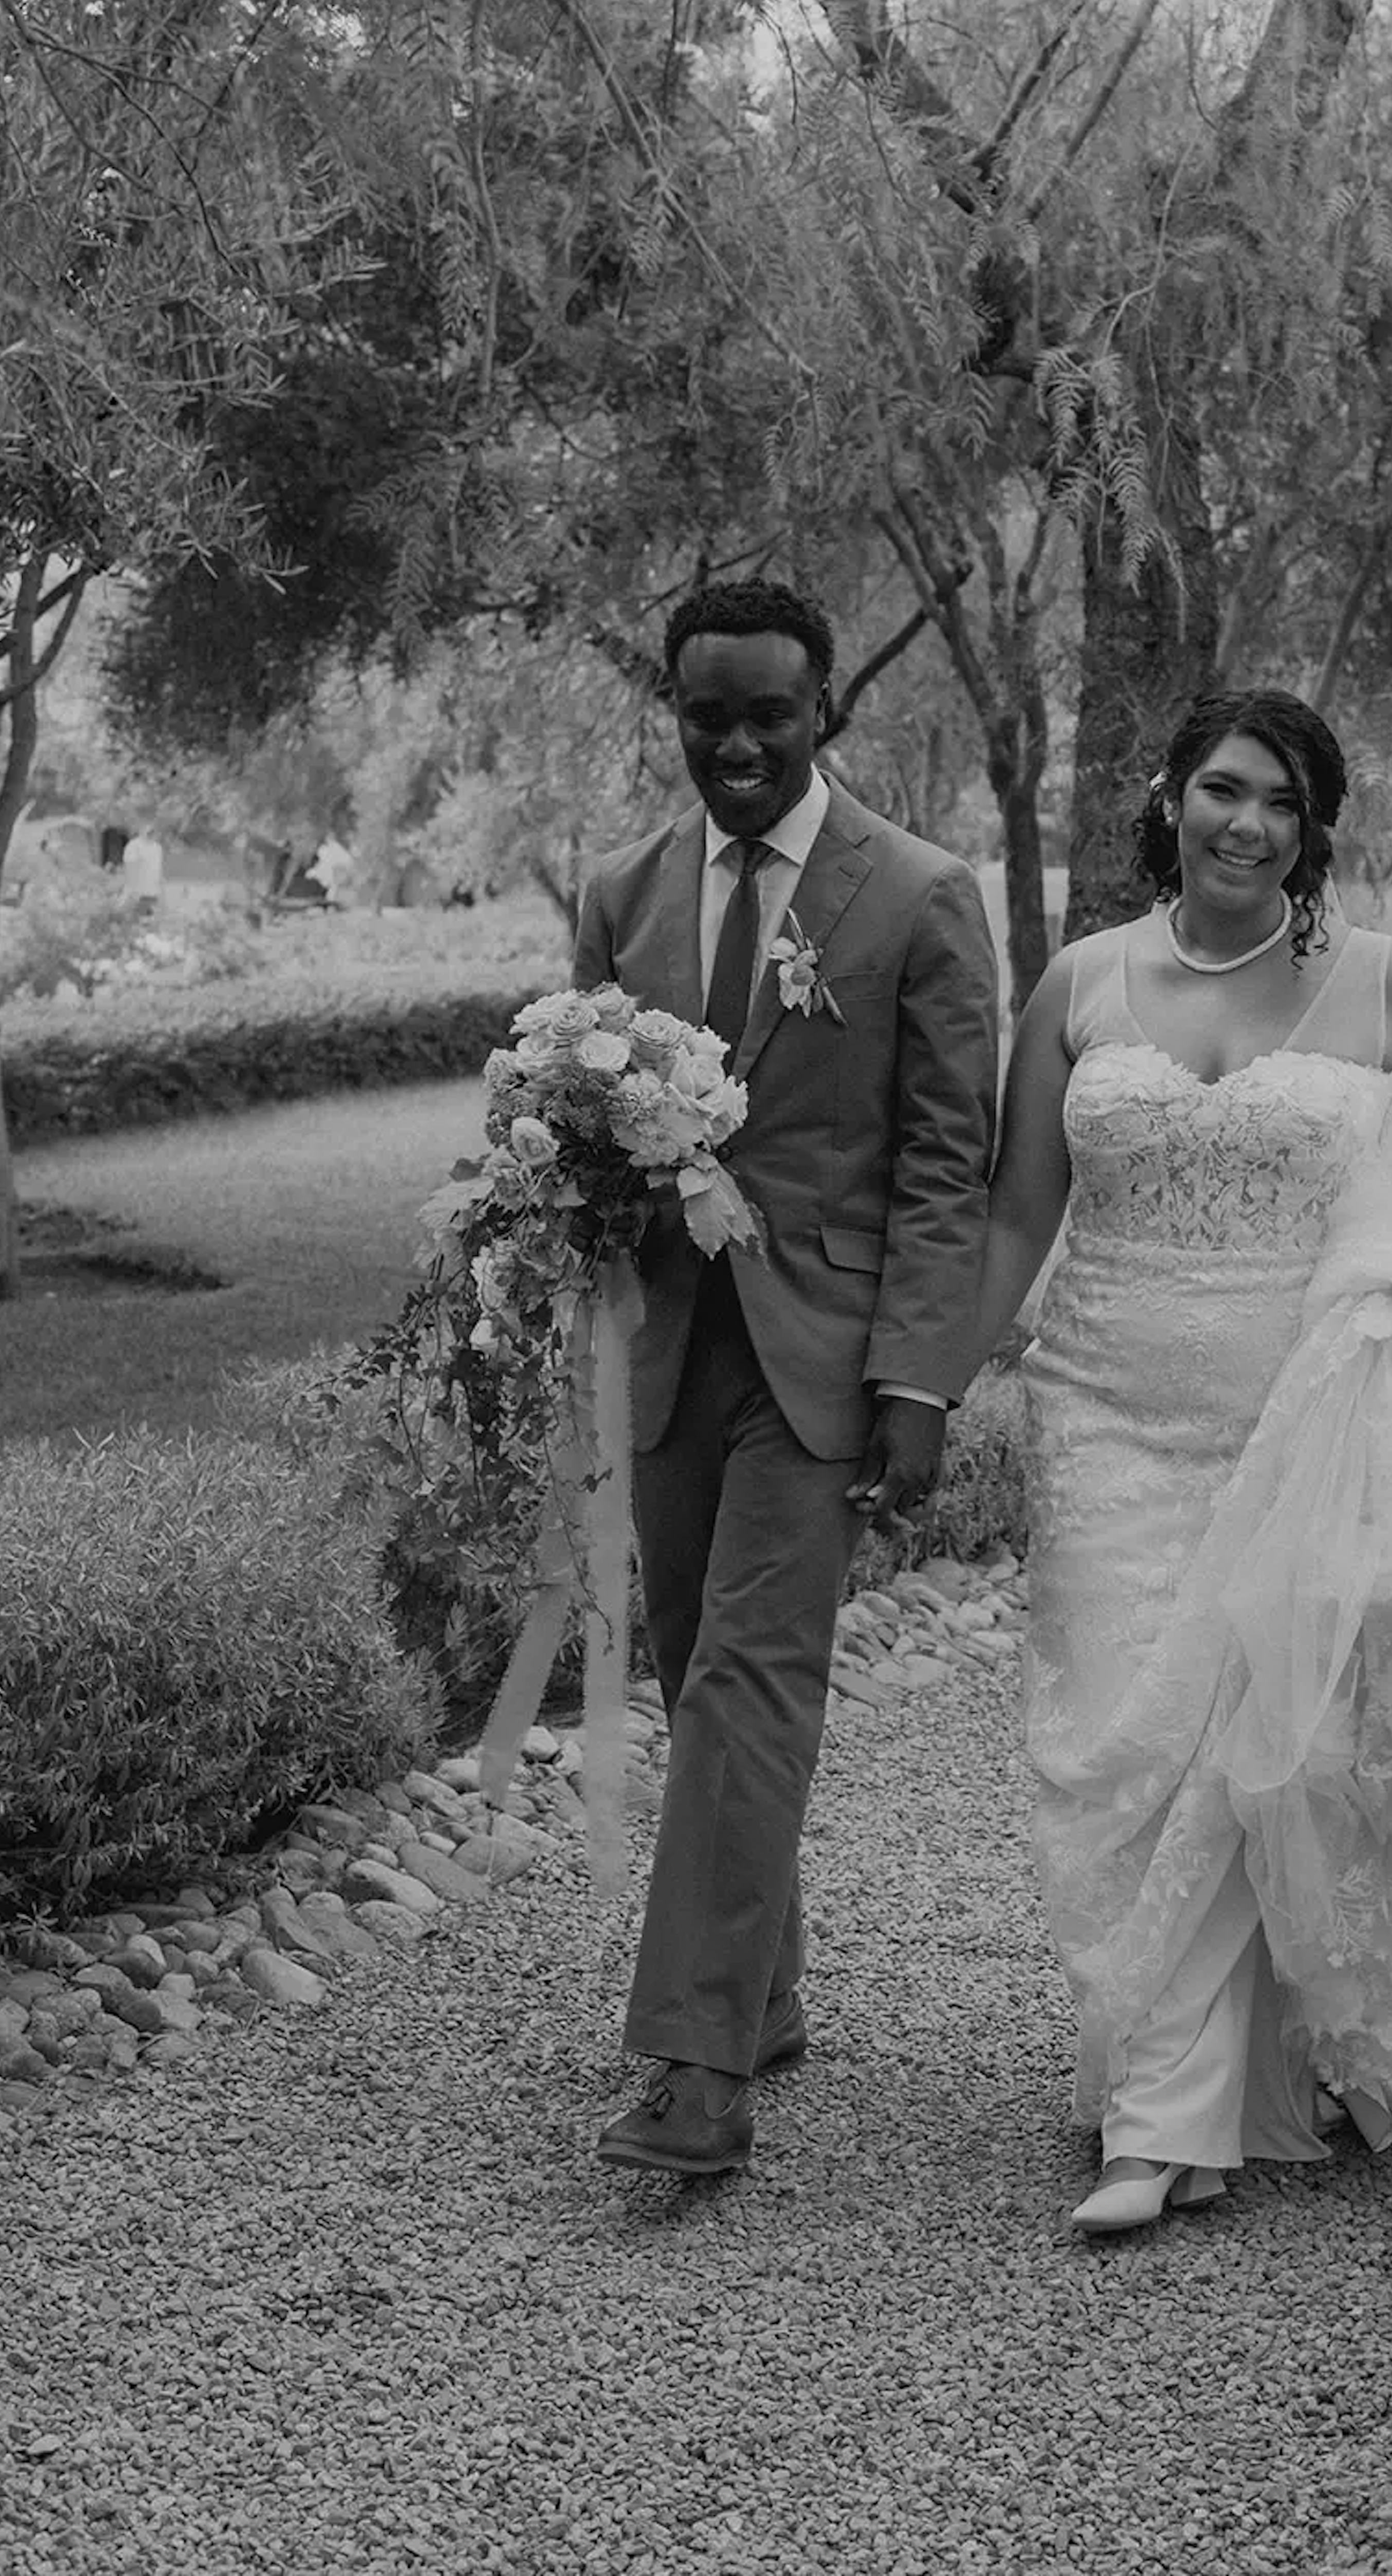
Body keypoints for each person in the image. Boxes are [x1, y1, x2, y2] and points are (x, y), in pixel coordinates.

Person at [973, 688, 1392, 2233]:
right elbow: (1014, 1214)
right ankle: (1202, 2072)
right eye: (1225, 790)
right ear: (1171, 797)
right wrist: (928, 1385)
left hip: (1296, 1421)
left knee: (1260, 1735)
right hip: (1103, 1409)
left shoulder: (1382, 989)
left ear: (1313, 835)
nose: (1248, 823)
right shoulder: (1079, 984)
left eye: (1284, 806)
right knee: (1124, 1732)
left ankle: (1162, 2123)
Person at [574, 578, 1000, 2176]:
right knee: (699, 1681)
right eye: (707, 714)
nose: (737, 743)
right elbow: (589, 1134)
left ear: (825, 709)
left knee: (755, 1682)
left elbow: (947, 1161)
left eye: (768, 713)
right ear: (673, 710)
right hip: (673, 1348)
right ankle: (764, 1993)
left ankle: (696, 2065)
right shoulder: (623, 890)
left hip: (827, 1360)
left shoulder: (923, 893)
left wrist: (924, 1380)